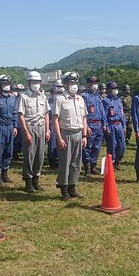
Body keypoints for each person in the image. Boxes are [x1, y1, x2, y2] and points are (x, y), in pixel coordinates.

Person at [53, 72, 87, 200]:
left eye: (76, 83)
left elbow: (84, 117)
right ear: (66, 84)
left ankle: (73, 187)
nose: (74, 86)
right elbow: (55, 119)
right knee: (65, 162)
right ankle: (64, 188)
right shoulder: (60, 99)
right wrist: (59, 137)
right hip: (65, 133)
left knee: (76, 163)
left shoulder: (80, 99)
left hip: (78, 133)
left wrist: (84, 135)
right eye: (72, 83)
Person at [18, 71, 50, 193]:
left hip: (41, 127)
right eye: (33, 82)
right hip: (30, 127)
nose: (36, 84)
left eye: (37, 82)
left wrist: (48, 130)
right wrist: (26, 132)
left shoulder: (42, 96)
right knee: (29, 155)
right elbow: (21, 115)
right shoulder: (24, 97)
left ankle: (36, 179)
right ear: (29, 83)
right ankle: (28, 181)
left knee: (40, 155)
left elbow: (46, 113)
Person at [81, 76, 105, 176]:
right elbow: (83, 113)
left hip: (98, 125)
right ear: (88, 84)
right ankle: (87, 168)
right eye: (92, 83)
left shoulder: (98, 96)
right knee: (87, 146)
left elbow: (102, 111)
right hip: (90, 124)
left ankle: (93, 166)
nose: (94, 85)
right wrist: (86, 127)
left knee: (97, 147)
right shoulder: (84, 96)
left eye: (95, 83)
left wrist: (104, 124)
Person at [101, 82, 126, 170]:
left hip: (119, 124)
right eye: (113, 88)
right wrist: (105, 126)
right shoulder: (105, 101)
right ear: (108, 90)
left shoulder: (119, 100)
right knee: (112, 145)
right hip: (111, 125)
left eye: (116, 88)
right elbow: (103, 115)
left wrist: (124, 126)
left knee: (122, 145)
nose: (115, 90)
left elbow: (122, 114)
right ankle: (111, 163)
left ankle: (118, 161)